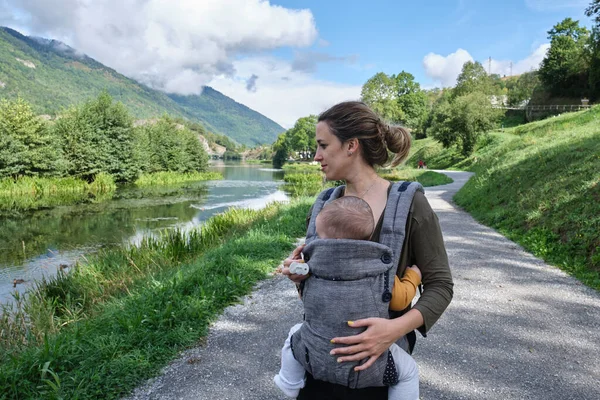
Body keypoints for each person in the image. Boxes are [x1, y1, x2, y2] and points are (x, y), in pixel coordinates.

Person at [281, 101, 454, 399]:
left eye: (323, 145)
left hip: (378, 372)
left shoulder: (409, 204)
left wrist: (394, 330)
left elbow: (441, 286)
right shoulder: (324, 206)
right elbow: (321, 288)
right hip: (319, 364)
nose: (317, 156)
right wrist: (301, 280)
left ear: (351, 145)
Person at [274, 195, 422, 399]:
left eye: (320, 236)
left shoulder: (313, 268)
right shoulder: (380, 271)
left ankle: (289, 382)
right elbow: (401, 300)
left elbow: (306, 296)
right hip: (368, 358)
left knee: (293, 335)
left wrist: (296, 267)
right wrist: (413, 276)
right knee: (408, 371)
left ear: (331, 242)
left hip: (316, 351)